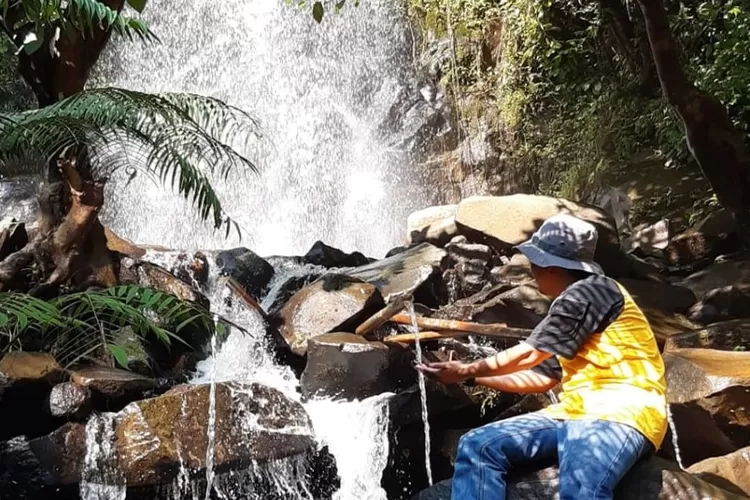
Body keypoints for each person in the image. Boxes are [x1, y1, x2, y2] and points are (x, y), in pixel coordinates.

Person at [417, 214, 667, 500]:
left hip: (621, 412)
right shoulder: (573, 305)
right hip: (574, 413)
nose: (531, 270)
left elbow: (530, 354)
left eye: (533, 262)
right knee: (479, 445)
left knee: (581, 491)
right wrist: (474, 376)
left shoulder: (593, 290)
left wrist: (464, 370)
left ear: (548, 266)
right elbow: (541, 377)